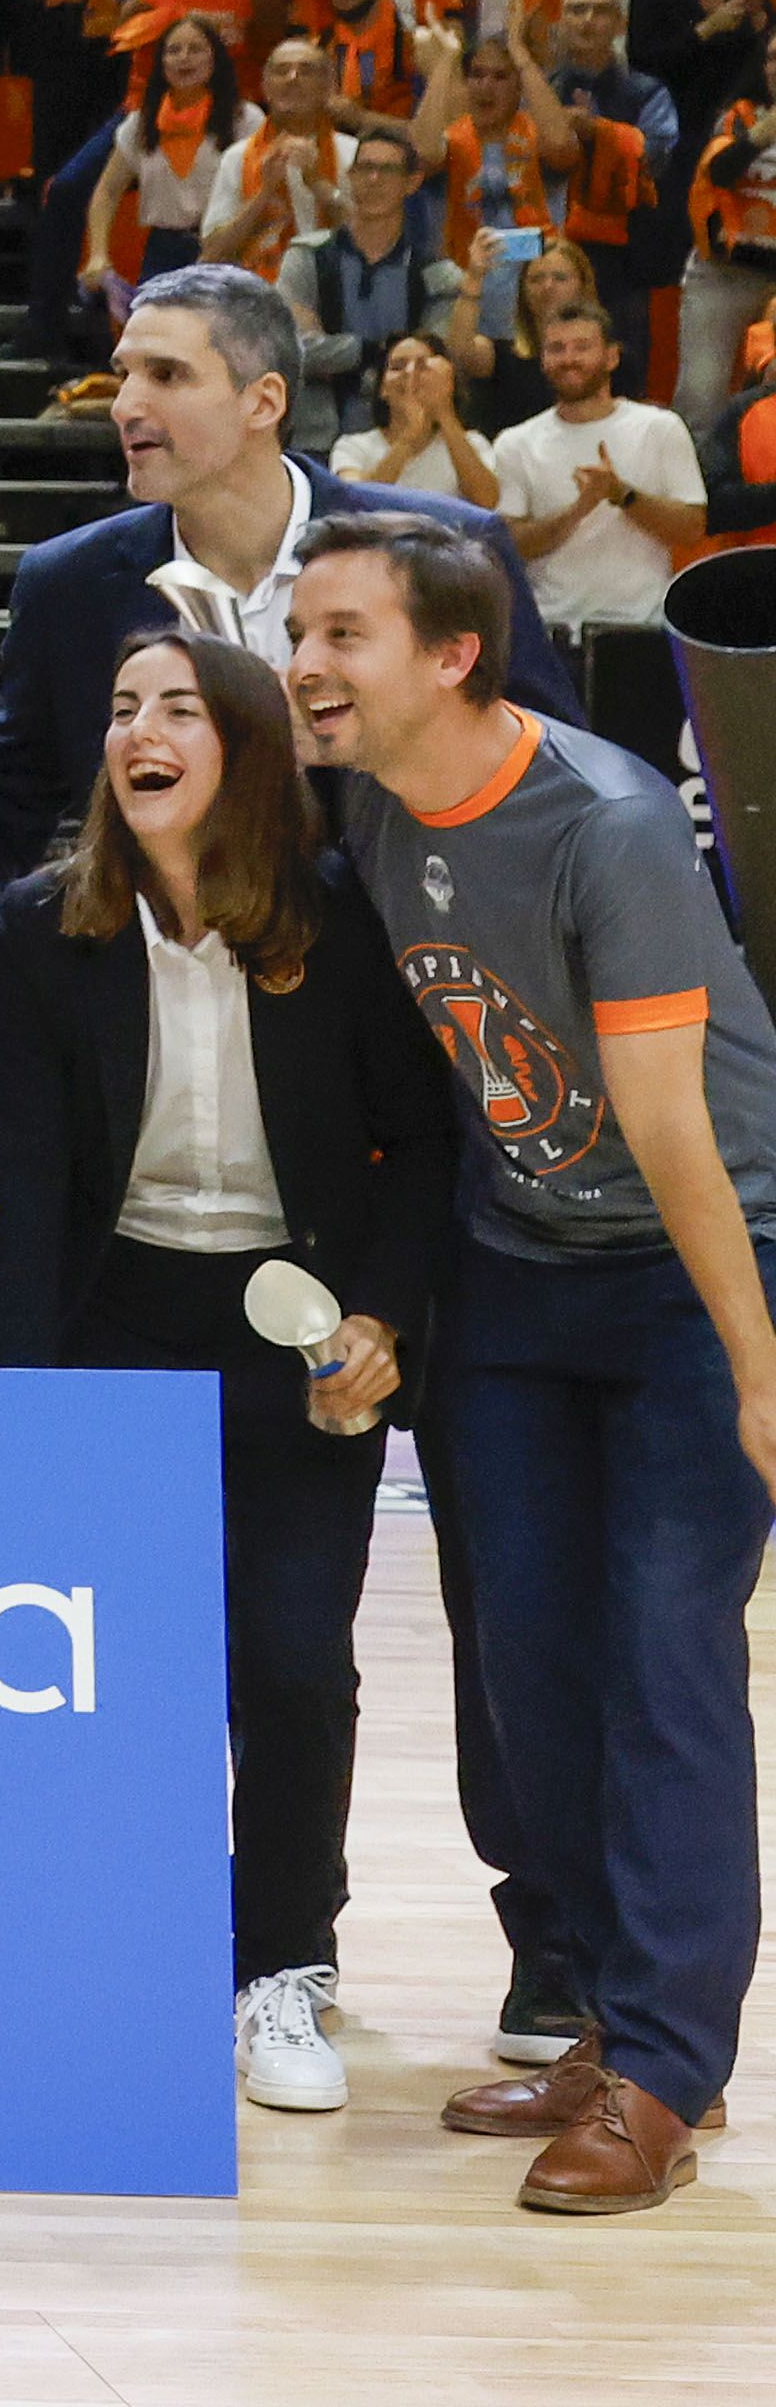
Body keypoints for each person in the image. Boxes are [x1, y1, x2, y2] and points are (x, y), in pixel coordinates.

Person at [287, 512, 776, 2219]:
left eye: (342, 634)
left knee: (664, 1657)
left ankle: (665, 2071)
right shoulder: (371, 798)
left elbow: (665, 1132)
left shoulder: (610, 825)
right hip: (519, 1268)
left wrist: (762, 1369)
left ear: (451, 658)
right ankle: (596, 2011)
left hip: (696, 1264)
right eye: (300, 631)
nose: (307, 664)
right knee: (524, 1669)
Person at [0, 623, 456, 2119]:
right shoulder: (41, 930)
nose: (140, 732)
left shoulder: (337, 914)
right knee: (126, 1666)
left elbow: (422, 1144)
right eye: (121, 709)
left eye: (177, 706)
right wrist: (32, 1401)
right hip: (122, 1315)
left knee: (295, 1660)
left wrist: (378, 1320)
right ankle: (133, 1947)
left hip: (290, 1320)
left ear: (241, 746)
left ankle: (285, 1968)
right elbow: (33, 1191)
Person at [0, 267, 582, 878]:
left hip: (399, 953)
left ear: (263, 402)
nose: (126, 405)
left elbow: (555, 775)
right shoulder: (68, 581)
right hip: (163, 957)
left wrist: (368, 740)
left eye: (167, 375)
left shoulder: (453, 549)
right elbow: (0, 812)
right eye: (125, 374)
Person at [481, 298, 707, 776]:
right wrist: (579, 510)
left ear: (611, 356)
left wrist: (621, 494)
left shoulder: (658, 428)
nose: (569, 359)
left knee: (643, 778)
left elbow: (691, 525)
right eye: (556, 349)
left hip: (640, 637)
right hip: (552, 642)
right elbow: (511, 545)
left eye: (582, 347)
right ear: (542, 359)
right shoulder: (516, 443)